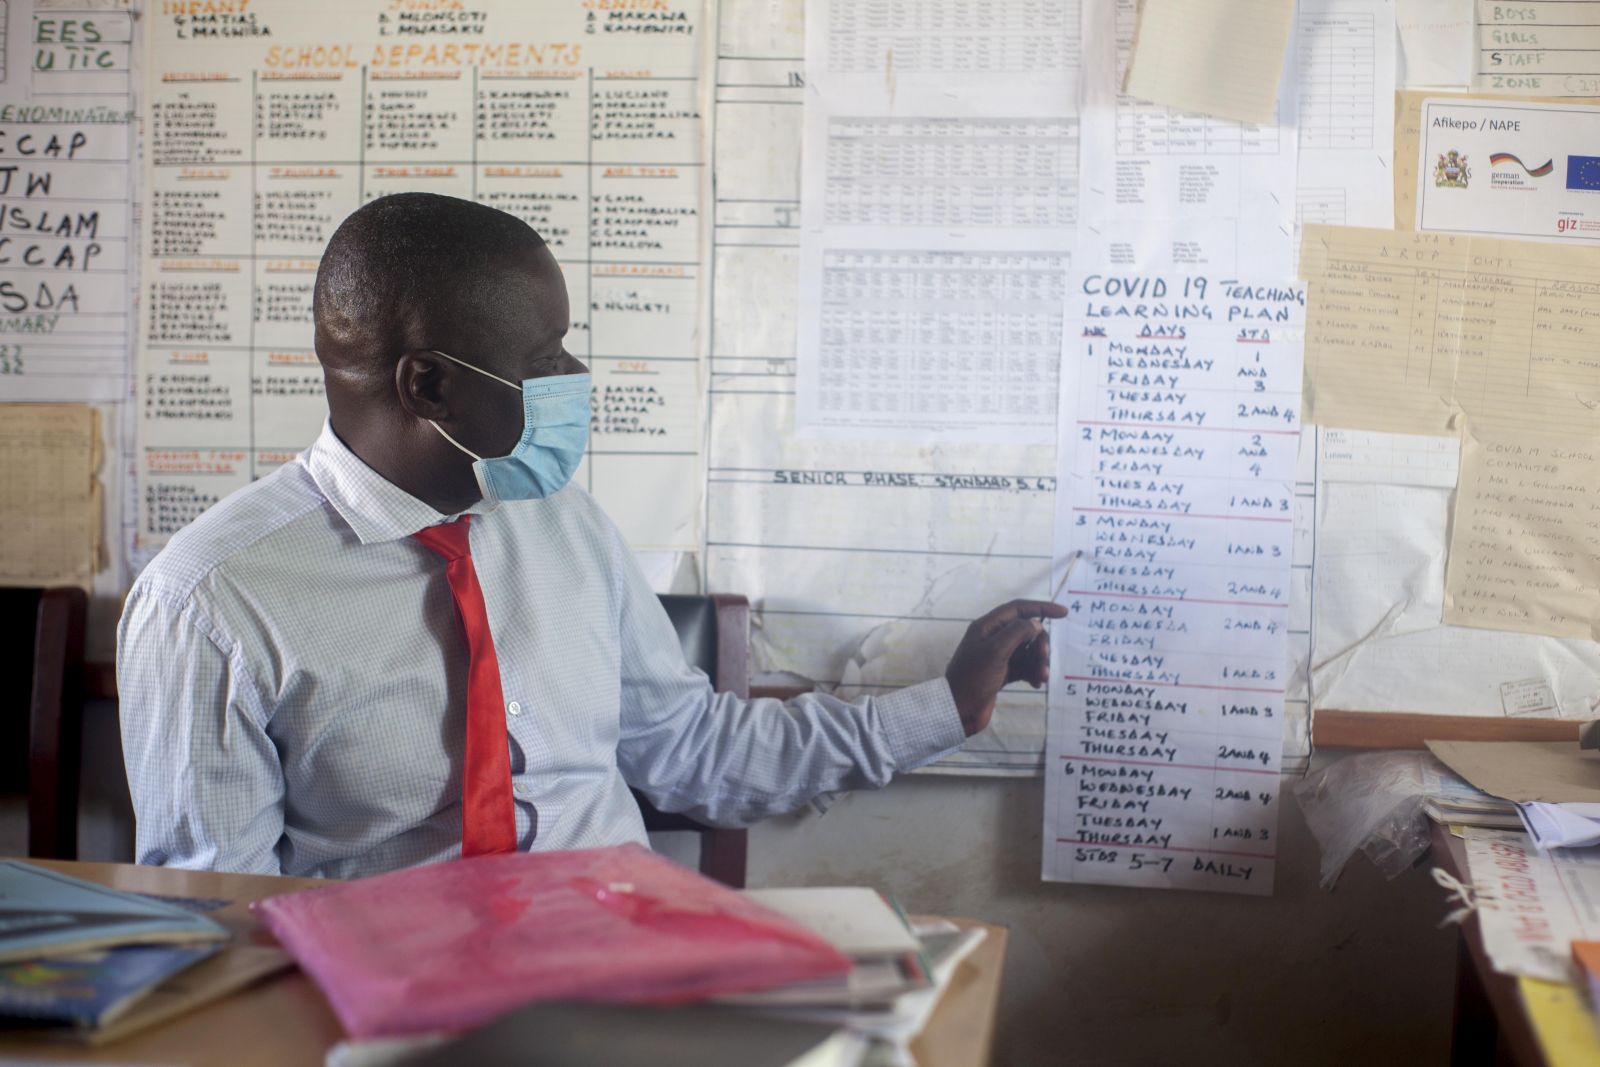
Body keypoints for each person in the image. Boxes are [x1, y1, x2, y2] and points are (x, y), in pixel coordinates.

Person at [117, 193, 1065, 878]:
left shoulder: (561, 522)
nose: (574, 375)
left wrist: (947, 703)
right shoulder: (208, 602)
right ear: (428, 387)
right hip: (391, 1010)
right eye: (543, 357)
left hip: (620, 966)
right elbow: (222, 913)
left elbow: (695, 751)